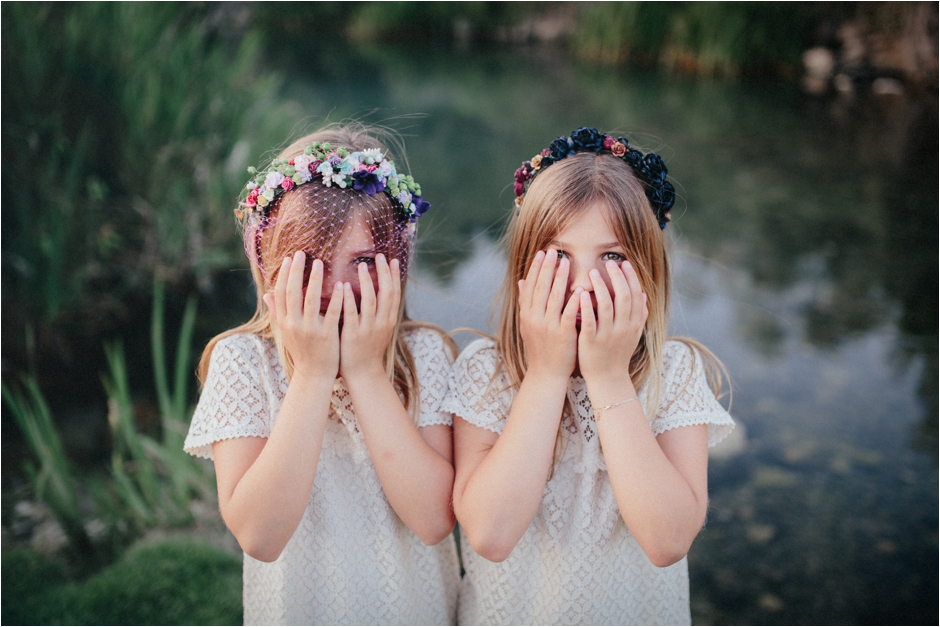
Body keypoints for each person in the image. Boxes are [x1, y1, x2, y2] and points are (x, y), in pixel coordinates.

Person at [445, 127, 735, 625]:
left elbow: (667, 543)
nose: (583, 286)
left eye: (613, 256)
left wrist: (607, 377)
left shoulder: (675, 373)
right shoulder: (486, 371)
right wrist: (546, 373)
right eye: (559, 256)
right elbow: (491, 535)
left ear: (648, 270)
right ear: (522, 263)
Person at [184, 125, 459, 625]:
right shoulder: (245, 361)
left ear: (396, 261)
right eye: (310, 263)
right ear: (270, 262)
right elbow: (260, 537)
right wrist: (311, 374)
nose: (335, 286)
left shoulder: (424, 355)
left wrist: (364, 371)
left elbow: (435, 519)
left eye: (361, 261)